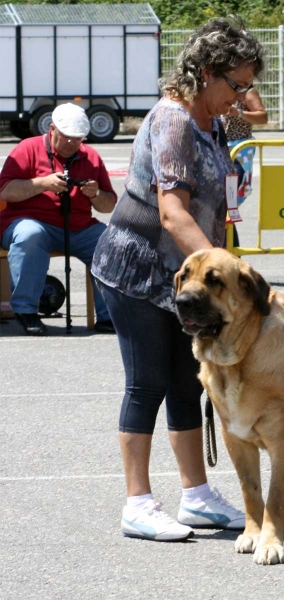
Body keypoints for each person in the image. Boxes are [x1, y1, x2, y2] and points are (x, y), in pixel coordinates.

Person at [91, 17, 265, 542]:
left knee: (190, 382)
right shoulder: (171, 120)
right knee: (148, 383)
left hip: (185, 275)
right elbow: (172, 214)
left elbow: (219, 196)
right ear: (206, 72)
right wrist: (229, 278)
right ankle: (137, 503)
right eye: (235, 85)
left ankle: (197, 496)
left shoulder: (213, 120)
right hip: (138, 268)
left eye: (247, 87)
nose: (242, 98)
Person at [0, 103, 117, 336]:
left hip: (78, 227)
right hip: (30, 221)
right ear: (52, 129)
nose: (73, 144)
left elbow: (109, 204)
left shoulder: (91, 157)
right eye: (67, 138)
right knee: (30, 235)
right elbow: (5, 191)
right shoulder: (27, 148)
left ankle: (110, 316)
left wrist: (95, 193)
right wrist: (42, 183)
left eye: (78, 138)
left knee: (110, 242)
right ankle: (26, 310)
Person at [220, 87, 268, 203]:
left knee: (232, 196)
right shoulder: (220, 87)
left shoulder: (247, 91)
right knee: (220, 195)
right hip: (219, 146)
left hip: (239, 151)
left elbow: (263, 117)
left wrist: (239, 113)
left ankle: (227, 219)